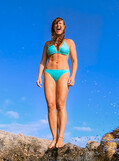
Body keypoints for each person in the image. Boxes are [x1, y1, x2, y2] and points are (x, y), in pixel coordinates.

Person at [36, 17, 77, 149]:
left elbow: (74, 61)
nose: (58, 25)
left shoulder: (70, 42)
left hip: (64, 73)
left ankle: (61, 138)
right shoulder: (47, 44)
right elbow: (43, 61)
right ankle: (54, 137)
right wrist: (39, 76)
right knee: (50, 105)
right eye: (56, 24)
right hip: (49, 73)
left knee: (60, 104)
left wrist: (73, 76)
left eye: (60, 24)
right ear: (53, 27)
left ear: (64, 27)